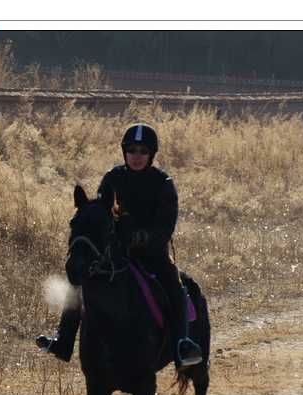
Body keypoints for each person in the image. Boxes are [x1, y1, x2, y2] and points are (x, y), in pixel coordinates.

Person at [36, 123, 203, 368]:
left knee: (176, 288)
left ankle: (182, 345)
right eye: (132, 150)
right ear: (124, 152)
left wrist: (139, 238)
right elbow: (100, 213)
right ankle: (64, 340)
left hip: (153, 257)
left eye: (143, 151)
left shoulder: (164, 183)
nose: (137, 156)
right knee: (79, 280)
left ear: (151, 154)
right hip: (114, 254)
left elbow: (165, 228)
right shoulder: (112, 178)